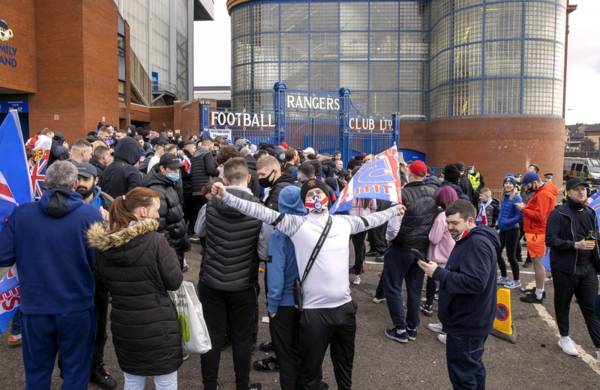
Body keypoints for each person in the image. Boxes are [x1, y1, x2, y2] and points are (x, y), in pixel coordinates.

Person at [209, 178, 405, 390]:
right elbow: (260, 211)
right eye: (309, 195)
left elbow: (372, 219)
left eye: (318, 193)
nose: (315, 197)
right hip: (314, 314)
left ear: (328, 197)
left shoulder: (344, 223)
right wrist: (227, 197)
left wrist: (394, 211)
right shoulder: (295, 224)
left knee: (345, 368)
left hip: (345, 309)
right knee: (310, 373)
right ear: (304, 202)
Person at [0, 161, 103, 389]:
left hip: (36, 308)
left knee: (36, 375)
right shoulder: (90, 216)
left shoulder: (22, 214)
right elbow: (101, 263)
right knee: (76, 374)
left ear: (46, 183)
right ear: (75, 183)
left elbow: (3, 256)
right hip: (76, 307)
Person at [87, 187, 183, 390]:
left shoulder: (104, 247)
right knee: (165, 382)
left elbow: (102, 285)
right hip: (160, 325)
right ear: (142, 212)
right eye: (155, 209)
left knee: (132, 381)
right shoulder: (156, 241)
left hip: (125, 325)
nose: (158, 214)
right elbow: (174, 281)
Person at [195, 157, 267, 390]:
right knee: (242, 339)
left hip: (211, 281)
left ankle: (209, 385)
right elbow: (264, 251)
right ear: (249, 178)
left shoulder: (210, 204)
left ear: (224, 179)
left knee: (212, 337)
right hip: (243, 284)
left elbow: (199, 231)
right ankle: (242, 385)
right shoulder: (259, 209)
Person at [418, 199, 499, 390]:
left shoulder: (476, 243)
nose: (450, 227)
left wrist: (438, 273)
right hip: (472, 320)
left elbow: (476, 282)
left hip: (467, 323)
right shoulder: (471, 240)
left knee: (463, 376)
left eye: (455, 223)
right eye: (448, 223)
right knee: (473, 367)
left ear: (470, 221)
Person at [546, 178, 600, 360]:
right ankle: (564, 337)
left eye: (584, 189)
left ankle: (599, 346)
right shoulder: (558, 214)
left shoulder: (590, 212)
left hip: (588, 269)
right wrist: (574, 244)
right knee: (563, 304)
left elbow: (596, 238)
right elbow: (551, 240)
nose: (581, 192)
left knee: (592, 307)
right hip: (565, 269)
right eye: (577, 189)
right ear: (568, 192)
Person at [384, 160, 438, 343]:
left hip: (401, 246)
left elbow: (393, 225)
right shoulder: (433, 192)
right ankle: (412, 327)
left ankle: (400, 329)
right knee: (414, 289)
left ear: (410, 172)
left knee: (393, 287)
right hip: (421, 248)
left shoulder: (403, 194)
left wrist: (389, 239)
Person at [266, 186, 305, 390]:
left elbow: (275, 273)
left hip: (285, 303)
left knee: (286, 354)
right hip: (309, 300)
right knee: (304, 351)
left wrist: (272, 305)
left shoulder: (279, 232)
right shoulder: (311, 226)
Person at [515, 172, 559, 303]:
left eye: (527, 185)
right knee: (537, 263)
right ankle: (539, 289)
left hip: (537, 233)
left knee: (538, 264)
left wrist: (523, 208)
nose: (527, 188)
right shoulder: (543, 192)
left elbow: (540, 216)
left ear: (534, 182)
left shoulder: (543, 194)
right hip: (537, 232)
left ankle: (539, 294)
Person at [143, 153, 190, 269]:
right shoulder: (157, 190)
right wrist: (169, 248)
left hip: (176, 243)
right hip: (170, 247)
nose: (176, 172)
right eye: (172, 169)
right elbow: (159, 226)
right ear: (162, 169)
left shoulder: (168, 184)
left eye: (177, 169)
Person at [421, 186, 457, 326]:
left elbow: (434, 238)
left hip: (438, 256)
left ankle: (429, 306)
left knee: (434, 283)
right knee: (447, 288)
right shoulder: (456, 214)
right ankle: (444, 321)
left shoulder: (441, 217)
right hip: (451, 254)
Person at [497, 175, 523, 289]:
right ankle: (504, 277)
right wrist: (500, 222)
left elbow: (520, 216)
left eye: (510, 183)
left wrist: (507, 222)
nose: (508, 185)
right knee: (497, 252)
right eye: (506, 183)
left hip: (512, 230)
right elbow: (502, 212)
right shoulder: (504, 197)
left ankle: (517, 281)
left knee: (511, 256)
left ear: (514, 185)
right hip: (503, 230)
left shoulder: (517, 198)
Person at [191, 138, 220, 227]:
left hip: (195, 188)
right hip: (205, 187)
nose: (213, 147)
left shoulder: (195, 154)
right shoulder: (207, 154)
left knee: (199, 212)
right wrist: (218, 170)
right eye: (212, 145)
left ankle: (197, 232)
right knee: (208, 212)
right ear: (210, 144)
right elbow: (210, 170)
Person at [350, 198, 378, 285]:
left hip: (353, 222)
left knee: (358, 248)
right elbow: (374, 209)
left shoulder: (351, 192)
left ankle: (358, 274)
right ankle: (360, 267)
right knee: (360, 245)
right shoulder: (369, 194)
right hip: (363, 222)